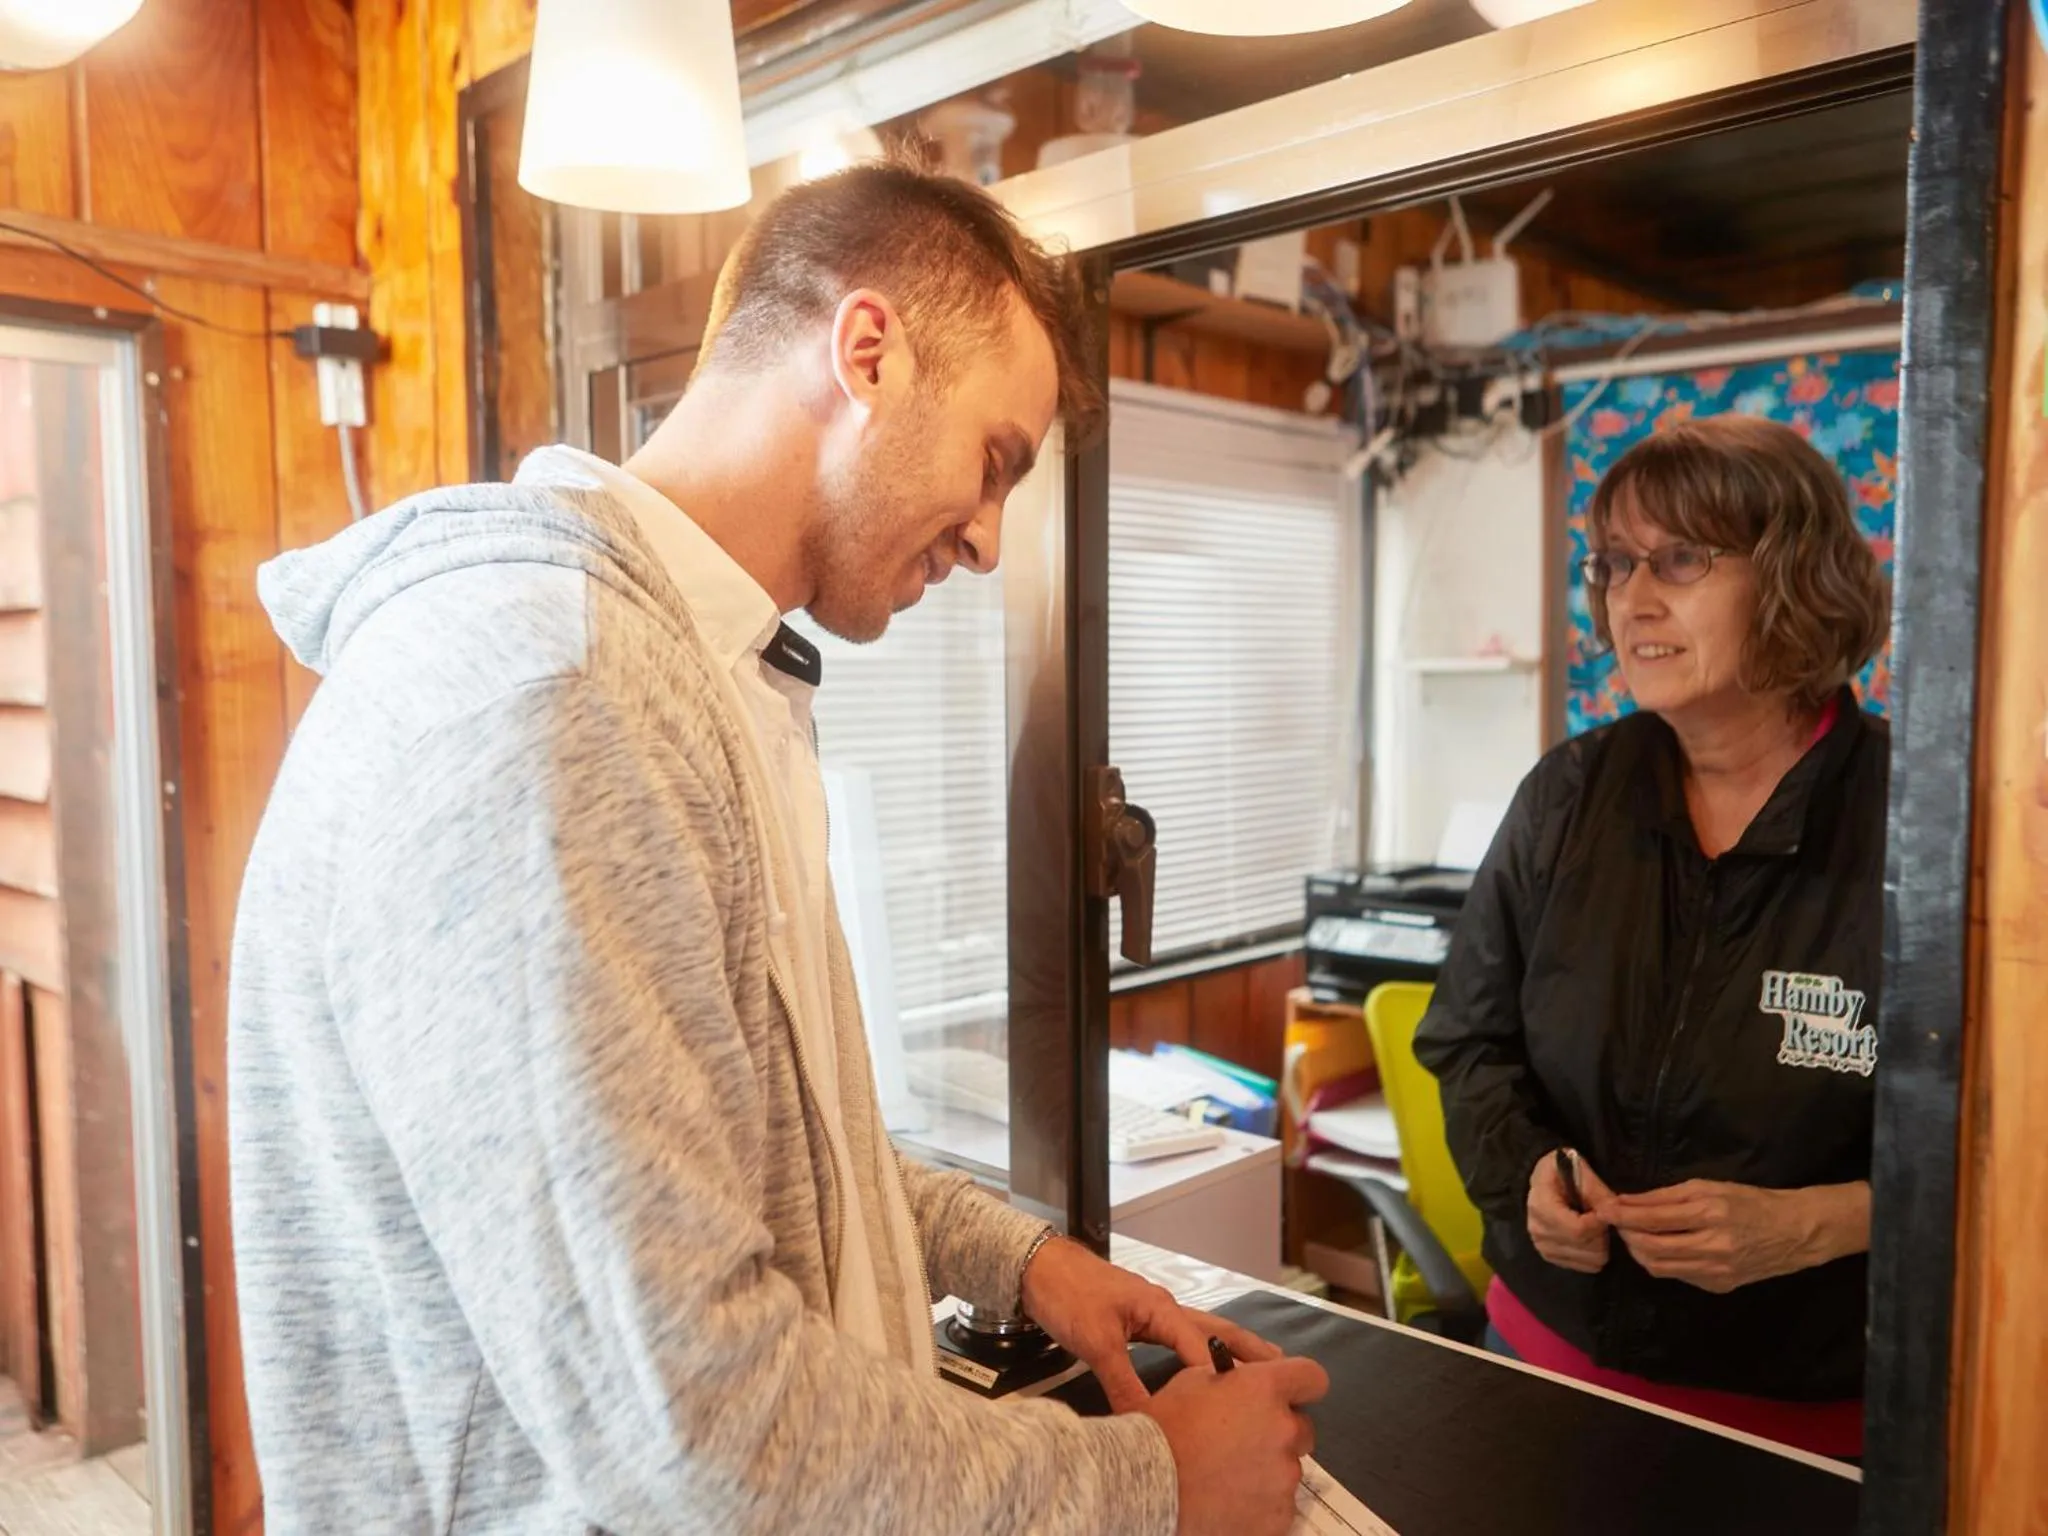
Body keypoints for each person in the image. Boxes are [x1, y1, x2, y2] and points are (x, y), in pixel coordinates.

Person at [228, 159, 1326, 1535]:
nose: (990, 540)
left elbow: (749, 1144)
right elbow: (688, 1421)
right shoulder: (549, 698)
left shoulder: (690, 675)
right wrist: (1152, 1490)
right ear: (867, 350)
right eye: (995, 463)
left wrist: (1017, 1259)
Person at [1414, 414, 1889, 1461]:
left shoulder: (1917, 827)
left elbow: (1999, 1146)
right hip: (1539, 1364)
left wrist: (1815, 1223)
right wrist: (1527, 1177)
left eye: (1679, 558)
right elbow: (1467, 1045)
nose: (1631, 598)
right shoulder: (1566, 796)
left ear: (1791, 575)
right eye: (1614, 563)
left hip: (1798, 1428)